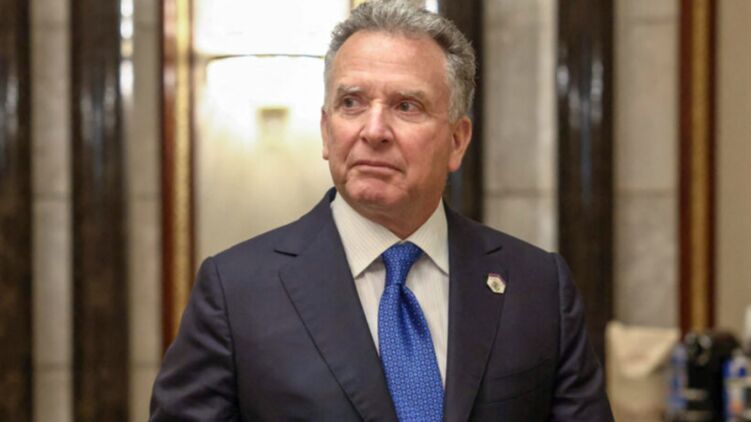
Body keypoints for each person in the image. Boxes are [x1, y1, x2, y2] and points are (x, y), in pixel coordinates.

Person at [150, 1, 614, 421]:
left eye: (406, 106)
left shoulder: (537, 287)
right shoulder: (236, 293)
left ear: (457, 140)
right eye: (351, 103)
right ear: (326, 131)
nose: (374, 131)